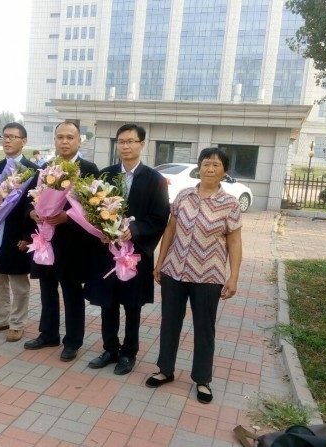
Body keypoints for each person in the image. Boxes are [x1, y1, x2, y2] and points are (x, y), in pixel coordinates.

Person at [146, 147, 243, 404]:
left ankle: (202, 379)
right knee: (169, 323)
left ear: (224, 171)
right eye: (206, 164)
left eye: (216, 165)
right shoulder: (183, 196)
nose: (210, 169)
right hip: (174, 271)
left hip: (208, 276)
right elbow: (171, 229)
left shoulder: (230, 204)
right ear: (199, 167)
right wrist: (160, 261)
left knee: (204, 329)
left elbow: (234, 242)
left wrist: (233, 277)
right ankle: (165, 370)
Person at [86, 124, 169, 375]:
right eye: (121, 141)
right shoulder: (105, 175)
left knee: (132, 306)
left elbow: (160, 217)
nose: (125, 146)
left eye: (131, 141)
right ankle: (110, 348)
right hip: (107, 253)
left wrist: (136, 230)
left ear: (142, 144)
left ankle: (128, 353)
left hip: (135, 255)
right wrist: (100, 232)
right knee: (107, 303)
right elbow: (91, 211)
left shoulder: (155, 180)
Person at [23, 121, 99, 362]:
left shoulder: (88, 169)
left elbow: (93, 206)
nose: (64, 141)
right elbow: (34, 198)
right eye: (60, 137)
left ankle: (73, 341)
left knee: (71, 291)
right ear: (54, 140)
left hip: (73, 242)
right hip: (46, 239)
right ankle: (48, 334)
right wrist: (32, 212)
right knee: (47, 288)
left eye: (70, 137)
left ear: (79, 141)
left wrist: (67, 217)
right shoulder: (46, 167)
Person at [0, 123, 38, 342]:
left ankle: (17, 323)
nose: (7, 140)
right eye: (5, 136)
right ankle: (0, 318)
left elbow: (35, 206)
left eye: (13, 137)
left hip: (16, 235)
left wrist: (27, 236)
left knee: (19, 283)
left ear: (24, 140)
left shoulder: (34, 171)